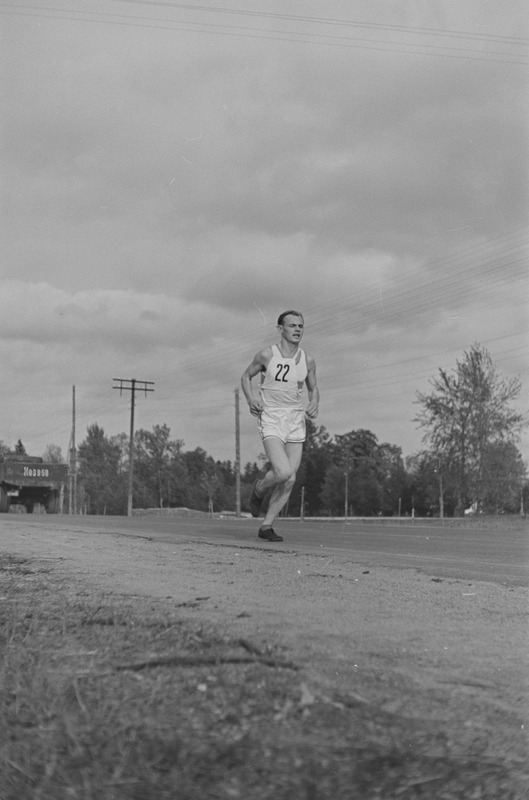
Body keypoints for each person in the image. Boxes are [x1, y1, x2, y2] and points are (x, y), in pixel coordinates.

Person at [241, 310, 319, 542]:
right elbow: (246, 377)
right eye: (292, 325)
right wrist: (251, 399)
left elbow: (314, 388)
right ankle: (259, 489)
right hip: (271, 417)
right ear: (280, 329)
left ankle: (266, 526)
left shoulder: (308, 360)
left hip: (295, 420)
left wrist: (314, 402)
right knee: (283, 472)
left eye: (301, 326)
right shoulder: (267, 355)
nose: (297, 330)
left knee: (291, 478)